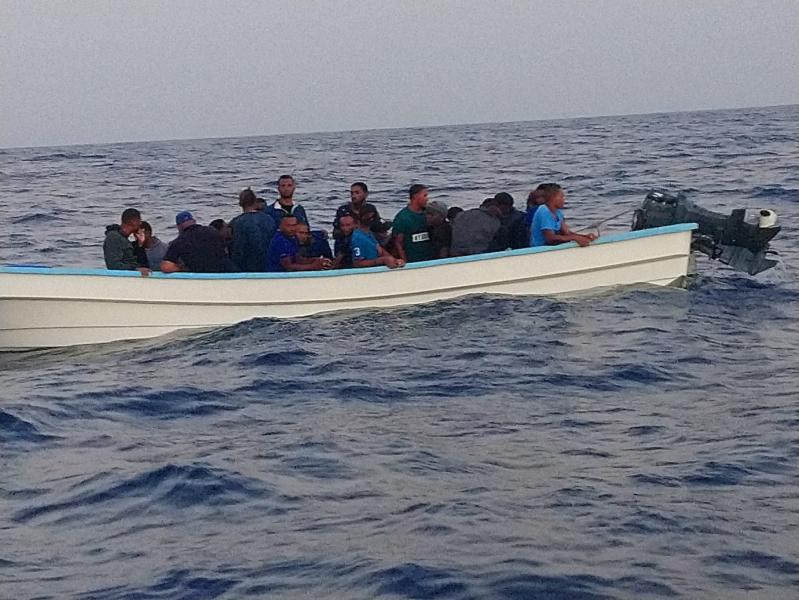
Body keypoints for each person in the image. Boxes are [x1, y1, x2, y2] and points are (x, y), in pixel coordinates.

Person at [160, 211, 237, 273]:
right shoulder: (212, 231)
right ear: (194, 221)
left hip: (200, 277)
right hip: (226, 272)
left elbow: (166, 267)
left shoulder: (178, 242)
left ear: (178, 227)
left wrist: (182, 268)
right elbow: (225, 250)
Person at [529, 183, 597, 247]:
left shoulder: (558, 212)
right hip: (541, 249)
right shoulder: (544, 210)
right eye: (561, 197)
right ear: (552, 198)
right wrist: (575, 238)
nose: (563, 200)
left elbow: (567, 233)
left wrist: (584, 236)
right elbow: (550, 238)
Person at [229, 188, 277, 272]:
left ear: (240, 203)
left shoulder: (237, 222)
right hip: (268, 264)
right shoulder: (269, 219)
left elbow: (238, 249)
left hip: (247, 265)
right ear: (255, 202)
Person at [266, 215, 332, 272]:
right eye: (288, 226)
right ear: (280, 227)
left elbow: (298, 259)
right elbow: (289, 267)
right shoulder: (280, 241)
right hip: (278, 276)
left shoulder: (292, 238)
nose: (292, 229)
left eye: (294, 225)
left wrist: (316, 260)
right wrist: (313, 266)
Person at [392, 184, 433, 263]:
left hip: (429, 259)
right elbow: (398, 243)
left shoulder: (428, 214)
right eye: (425, 196)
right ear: (415, 196)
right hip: (413, 260)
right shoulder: (402, 217)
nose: (427, 199)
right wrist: (405, 261)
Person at [103, 208, 149, 275]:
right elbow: (114, 266)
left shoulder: (125, 239)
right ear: (133, 221)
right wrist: (134, 270)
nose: (140, 223)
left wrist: (140, 244)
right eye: (139, 221)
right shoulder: (114, 238)